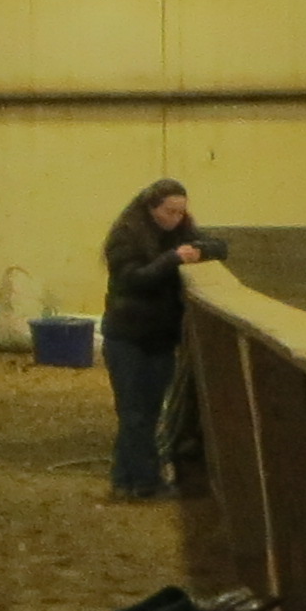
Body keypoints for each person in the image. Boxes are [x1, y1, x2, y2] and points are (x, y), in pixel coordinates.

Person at [98, 180, 213, 502]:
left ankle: (127, 479)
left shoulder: (180, 232)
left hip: (160, 336)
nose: (175, 218)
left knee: (147, 411)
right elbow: (132, 279)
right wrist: (173, 259)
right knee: (135, 411)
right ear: (151, 208)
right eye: (169, 211)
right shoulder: (126, 237)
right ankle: (144, 481)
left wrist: (203, 249)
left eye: (180, 212)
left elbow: (213, 244)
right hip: (128, 336)